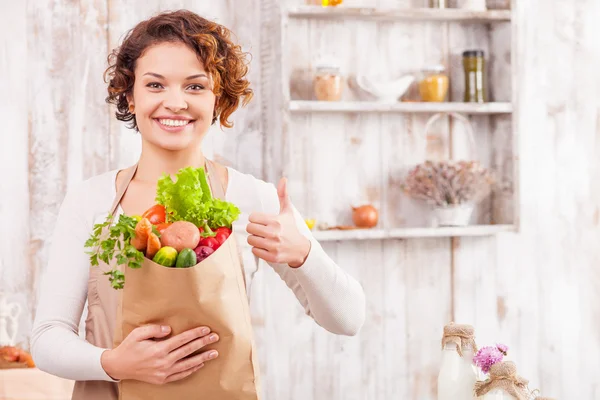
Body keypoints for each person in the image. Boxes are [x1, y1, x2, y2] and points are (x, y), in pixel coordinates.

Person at [30, 9, 365, 397]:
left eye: (194, 86)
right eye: (155, 85)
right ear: (130, 96)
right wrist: (114, 364)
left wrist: (303, 253)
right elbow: (47, 338)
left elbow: (349, 319)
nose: (175, 102)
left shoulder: (251, 198)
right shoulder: (91, 200)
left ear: (218, 98)